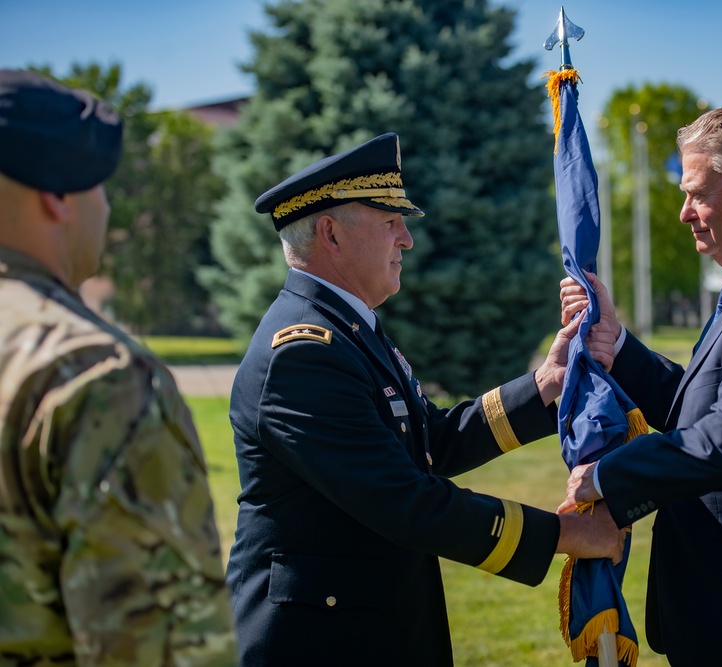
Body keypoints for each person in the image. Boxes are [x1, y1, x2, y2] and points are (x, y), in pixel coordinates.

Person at [225, 132, 624, 665]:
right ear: (331, 234)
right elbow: (405, 501)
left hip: (365, 625)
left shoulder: (347, 328)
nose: (407, 239)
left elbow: (429, 442)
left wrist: (546, 383)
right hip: (321, 641)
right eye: (390, 222)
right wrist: (570, 533)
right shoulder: (304, 352)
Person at [559, 103, 722, 666]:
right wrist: (620, 346)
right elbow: (704, 408)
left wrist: (607, 478)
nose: (684, 213)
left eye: (698, 193)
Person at [0, 70, 236, 665]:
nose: (105, 208)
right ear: (56, 195)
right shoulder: (91, 373)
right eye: (102, 189)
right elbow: (168, 647)